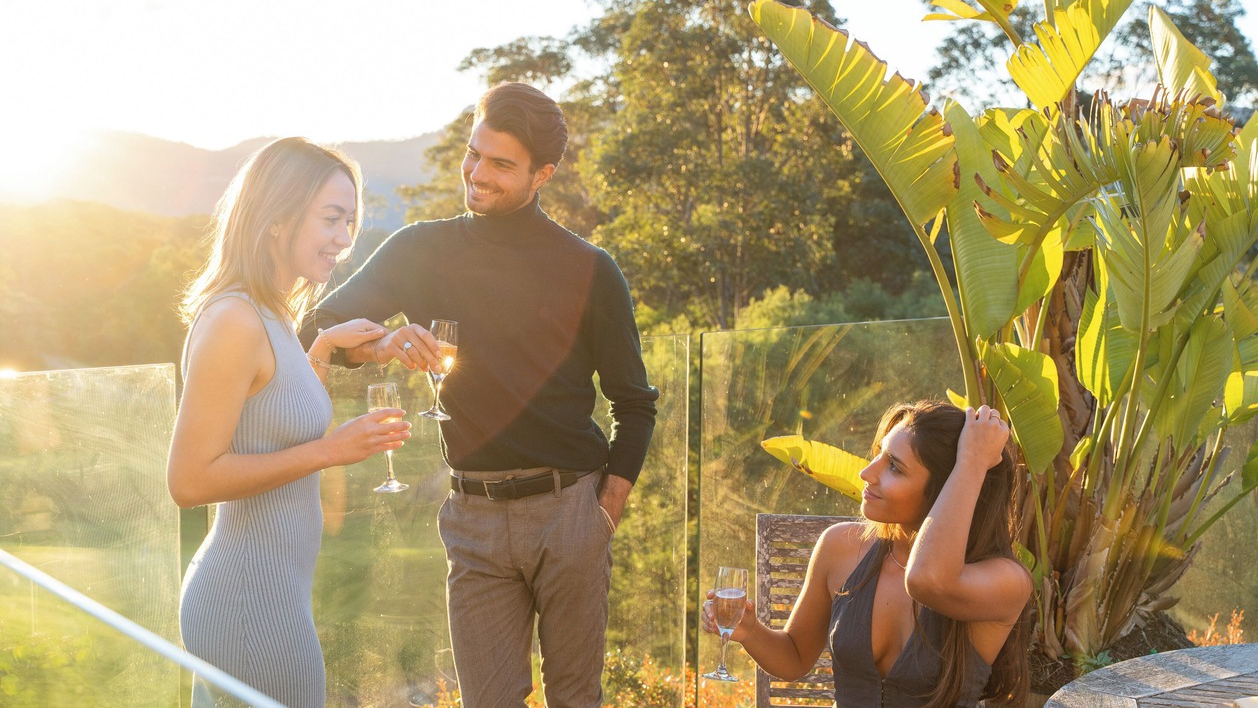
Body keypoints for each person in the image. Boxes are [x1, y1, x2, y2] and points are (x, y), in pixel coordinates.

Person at [300, 82, 660, 707]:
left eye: (501, 164)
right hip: (472, 517)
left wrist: (603, 512)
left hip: (569, 508)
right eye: (474, 153)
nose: (477, 173)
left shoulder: (590, 269)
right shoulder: (420, 250)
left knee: (577, 699)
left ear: (541, 174)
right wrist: (381, 343)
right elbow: (317, 329)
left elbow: (635, 403)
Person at [168, 137, 412, 708]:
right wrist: (333, 451)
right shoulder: (234, 318)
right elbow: (189, 481)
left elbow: (271, 413)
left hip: (273, 594)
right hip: (247, 600)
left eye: (350, 221)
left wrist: (322, 350)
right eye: (332, 219)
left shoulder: (272, 311)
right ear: (277, 218)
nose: (345, 239)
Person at [703, 402, 1031, 708]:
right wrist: (749, 630)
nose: (866, 474)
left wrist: (972, 462)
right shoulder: (841, 547)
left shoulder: (1006, 581)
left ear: (947, 487)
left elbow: (926, 580)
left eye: (894, 468)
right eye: (879, 455)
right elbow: (795, 657)